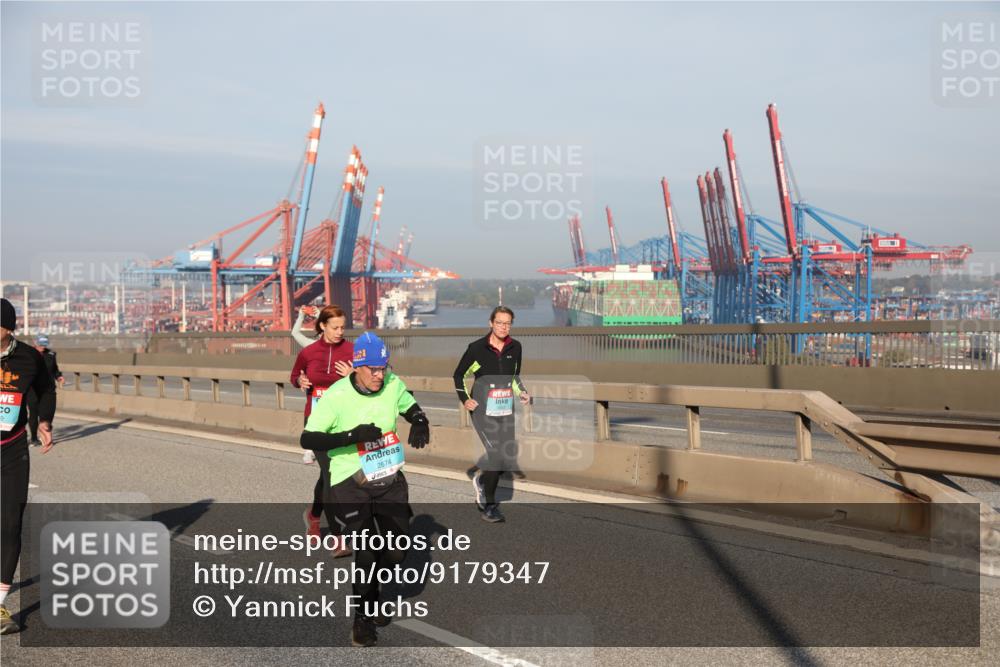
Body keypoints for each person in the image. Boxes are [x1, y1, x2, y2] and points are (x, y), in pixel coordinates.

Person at [300, 332, 430, 647]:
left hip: (387, 477)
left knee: (397, 551)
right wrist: (352, 436)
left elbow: (408, 402)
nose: (378, 374)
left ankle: (374, 594)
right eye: (372, 368)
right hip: (349, 482)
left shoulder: (390, 383)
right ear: (357, 366)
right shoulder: (337, 395)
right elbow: (309, 439)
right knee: (368, 551)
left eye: (383, 367)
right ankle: (363, 617)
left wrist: (420, 419)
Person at [1, 298, 57, 635]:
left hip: (11, 449)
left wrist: (44, 421)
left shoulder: (29, 357)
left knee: (9, 525)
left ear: (9, 328)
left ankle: (1, 603)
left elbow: (46, 389)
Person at [452, 306, 529, 523]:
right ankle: (490, 505)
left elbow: (515, 377)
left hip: (505, 410)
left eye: (508, 323)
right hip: (482, 412)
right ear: (491, 323)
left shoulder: (516, 347)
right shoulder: (477, 349)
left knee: (502, 456)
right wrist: (465, 399)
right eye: (499, 323)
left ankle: (482, 480)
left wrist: (522, 392)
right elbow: (458, 375)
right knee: (495, 454)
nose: (504, 327)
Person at [290, 305, 354, 557]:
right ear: (322, 326)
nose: (340, 332)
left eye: (342, 327)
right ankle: (339, 538)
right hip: (316, 422)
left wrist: (353, 374)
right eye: (335, 327)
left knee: (328, 476)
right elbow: (295, 375)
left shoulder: (352, 351)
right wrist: (300, 381)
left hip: (345, 422)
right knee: (332, 475)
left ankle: (314, 515)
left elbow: (373, 378)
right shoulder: (309, 351)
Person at [27, 334, 64, 446]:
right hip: (32, 389)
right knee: (34, 413)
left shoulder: (51, 354)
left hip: (48, 389)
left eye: (44, 344)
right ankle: (34, 438)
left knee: (47, 414)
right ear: (35, 343)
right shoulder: (28, 354)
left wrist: (59, 376)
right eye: (40, 344)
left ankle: (45, 434)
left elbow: (55, 369)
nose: (42, 347)